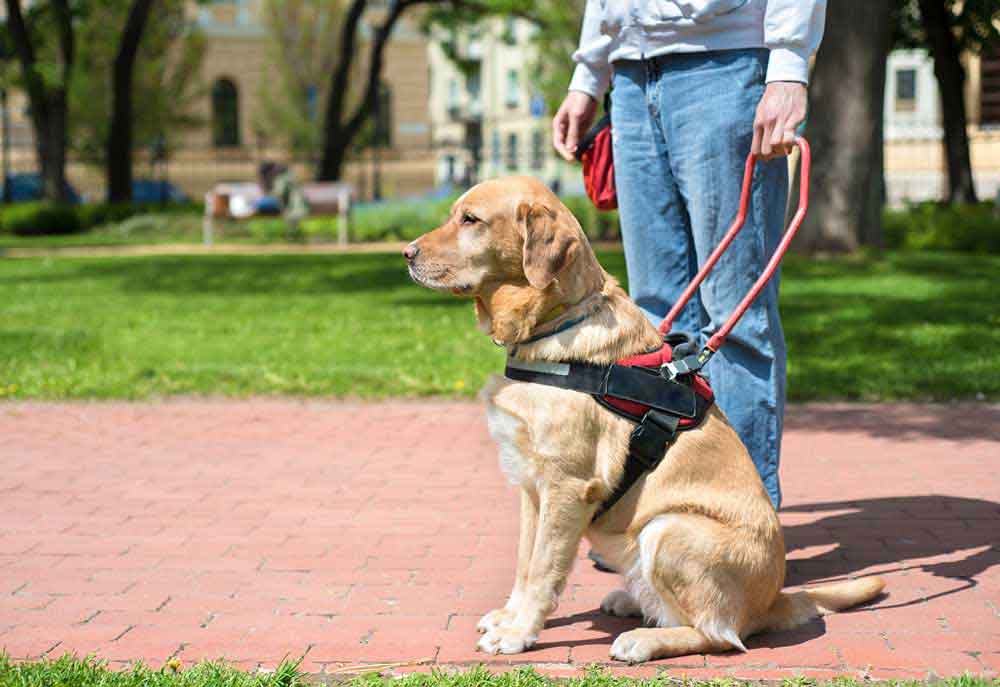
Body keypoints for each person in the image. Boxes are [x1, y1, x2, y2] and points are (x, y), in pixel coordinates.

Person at [552, 0, 827, 509]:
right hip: (632, 76)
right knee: (655, 317)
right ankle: (668, 512)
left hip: (726, 63)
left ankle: (741, 520)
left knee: (735, 316)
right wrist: (587, 74)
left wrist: (787, 67)